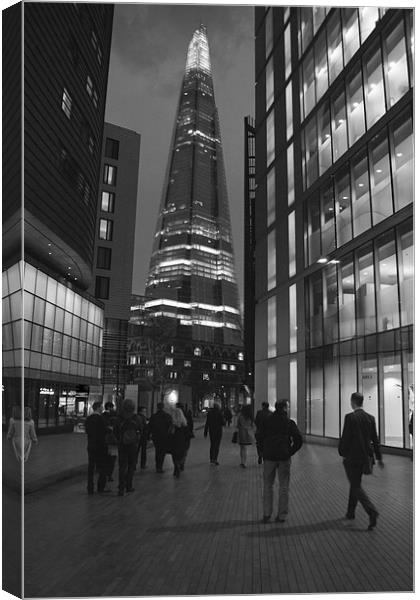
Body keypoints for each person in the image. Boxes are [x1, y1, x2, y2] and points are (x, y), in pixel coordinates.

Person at [338, 391, 384, 530]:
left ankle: (372, 511)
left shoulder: (350, 417)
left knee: (356, 486)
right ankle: (350, 512)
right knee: (355, 484)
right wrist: (379, 457)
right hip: (365, 458)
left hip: (352, 458)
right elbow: (375, 440)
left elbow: (345, 438)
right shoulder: (370, 418)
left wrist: (342, 453)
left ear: (353, 401)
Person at [260, 399, 302, 523]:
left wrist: (263, 450)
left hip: (269, 457)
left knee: (268, 485)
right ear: (284, 408)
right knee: (284, 487)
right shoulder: (289, 422)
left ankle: (267, 514)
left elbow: (260, 436)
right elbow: (298, 439)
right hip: (284, 457)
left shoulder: (267, 421)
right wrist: (291, 451)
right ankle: (282, 515)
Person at [115, 399, 143, 496]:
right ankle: (129, 485)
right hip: (133, 445)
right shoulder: (136, 418)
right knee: (131, 465)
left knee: (122, 466)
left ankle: (121, 488)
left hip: (122, 444)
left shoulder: (119, 418)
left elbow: (115, 431)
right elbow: (141, 429)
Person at [85, 401, 108, 495]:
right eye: (101, 406)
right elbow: (104, 431)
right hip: (100, 445)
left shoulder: (89, 419)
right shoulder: (101, 419)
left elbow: (87, 431)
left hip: (91, 445)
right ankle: (100, 487)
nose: (102, 408)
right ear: (98, 407)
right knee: (102, 467)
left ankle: (90, 487)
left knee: (91, 466)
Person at [148, 402, 173, 473]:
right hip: (164, 436)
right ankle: (160, 466)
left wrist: (150, 435)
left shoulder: (154, 416)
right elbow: (170, 426)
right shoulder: (167, 416)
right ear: (163, 407)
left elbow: (150, 426)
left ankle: (157, 466)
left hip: (156, 436)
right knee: (162, 451)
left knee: (157, 451)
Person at [166, 404, 188, 478]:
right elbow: (187, 434)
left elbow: (169, 433)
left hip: (173, 442)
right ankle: (179, 465)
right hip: (181, 441)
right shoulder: (184, 424)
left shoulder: (172, 424)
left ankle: (176, 467)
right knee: (181, 455)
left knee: (174, 455)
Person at [103, 401, 118, 482]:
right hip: (113, 441)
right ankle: (109, 474)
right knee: (112, 459)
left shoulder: (102, 416)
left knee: (105, 458)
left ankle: (104, 473)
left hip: (104, 441)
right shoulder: (115, 417)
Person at [177, 402, 194, 470]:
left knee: (176, 449)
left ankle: (177, 462)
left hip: (176, 435)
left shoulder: (174, 414)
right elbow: (191, 424)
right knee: (185, 449)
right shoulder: (187, 414)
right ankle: (182, 462)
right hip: (186, 434)